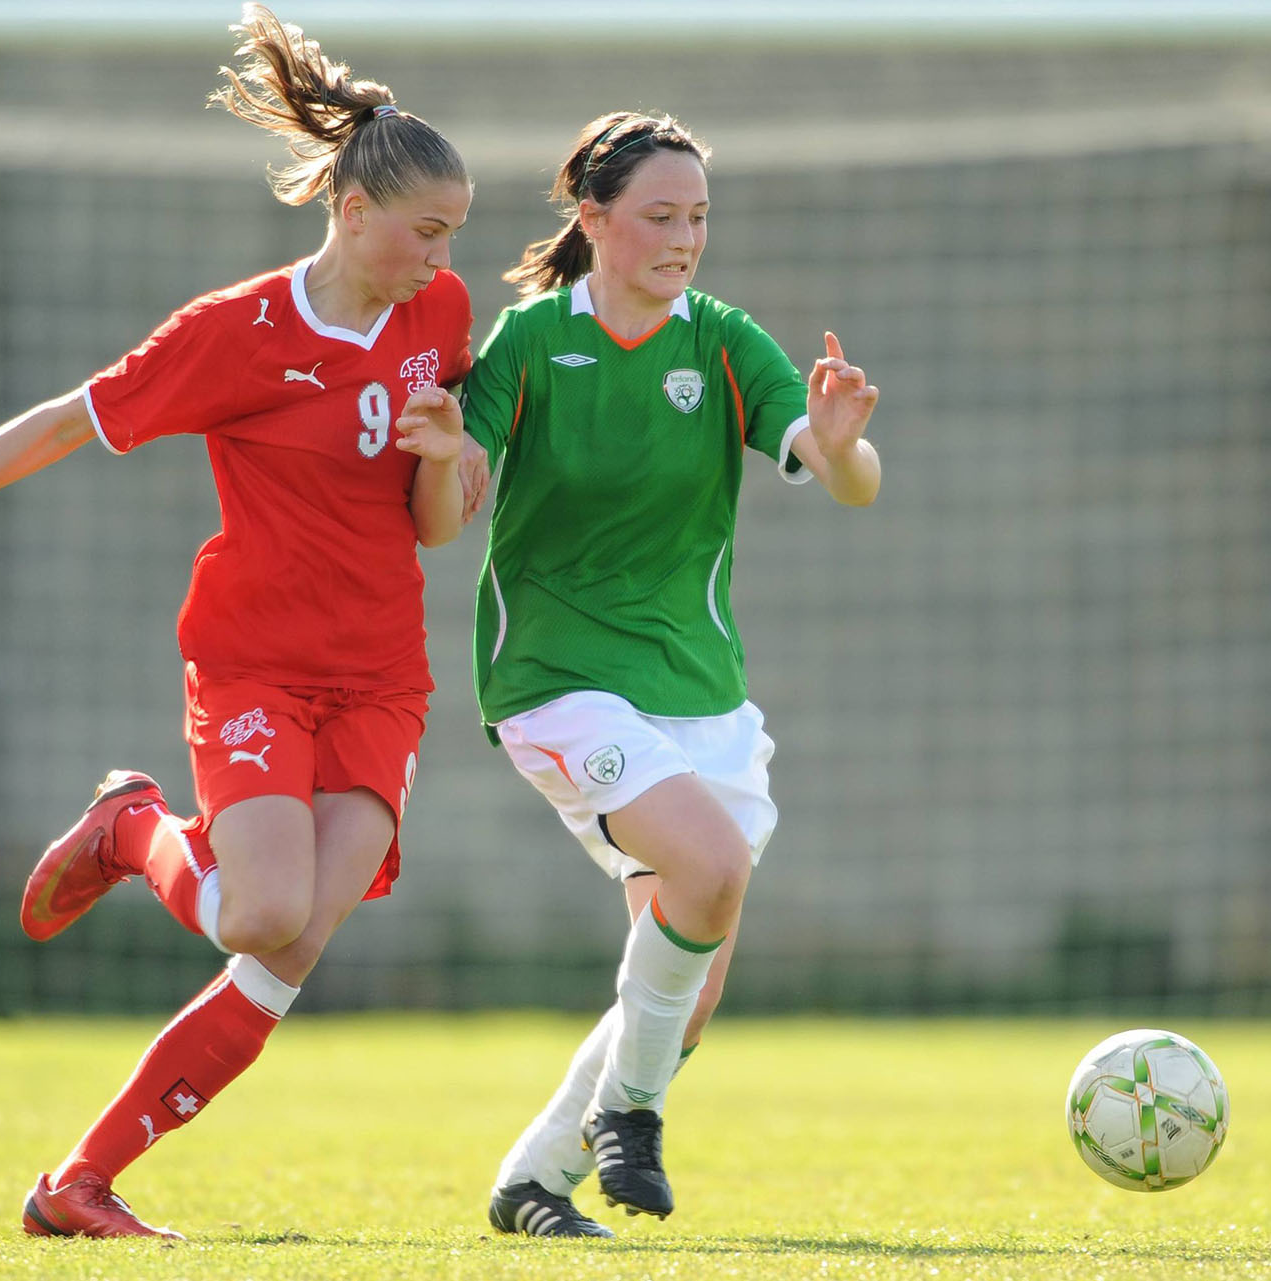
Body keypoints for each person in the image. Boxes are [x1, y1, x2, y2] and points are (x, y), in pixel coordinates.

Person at [0, 4, 473, 1240]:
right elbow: (67, 420)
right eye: (426, 231)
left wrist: (450, 454)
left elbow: (441, 523)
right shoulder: (235, 333)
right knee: (257, 914)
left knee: (290, 951)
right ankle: (131, 829)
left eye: (454, 234)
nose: (442, 260)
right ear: (351, 213)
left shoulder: (437, 324)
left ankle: (79, 1183)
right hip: (254, 665)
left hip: (384, 674)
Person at [458, 112, 882, 1238]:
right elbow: (451, 491)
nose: (684, 237)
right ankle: (631, 1123)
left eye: (698, 216)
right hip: (554, 682)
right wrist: (437, 453)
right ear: (594, 221)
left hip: (702, 696)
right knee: (710, 863)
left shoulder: (726, 343)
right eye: (659, 215)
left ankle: (531, 1182)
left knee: (683, 999)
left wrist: (841, 444)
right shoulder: (530, 343)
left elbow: (850, 480)